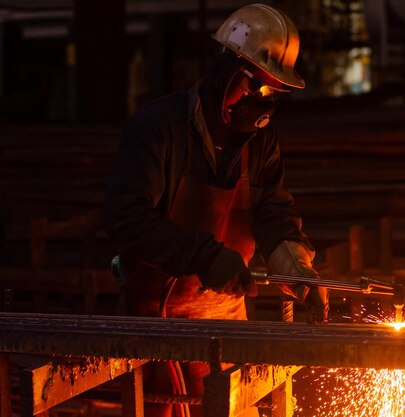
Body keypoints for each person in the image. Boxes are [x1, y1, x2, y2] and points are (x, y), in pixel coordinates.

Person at [104, 4, 328, 417]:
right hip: (155, 323)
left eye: (271, 91)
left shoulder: (261, 143)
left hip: (226, 321)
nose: (260, 100)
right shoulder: (159, 128)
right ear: (226, 69)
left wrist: (296, 268)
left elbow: (273, 213)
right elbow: (126, 218)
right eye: (253, 84)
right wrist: (204, 256)